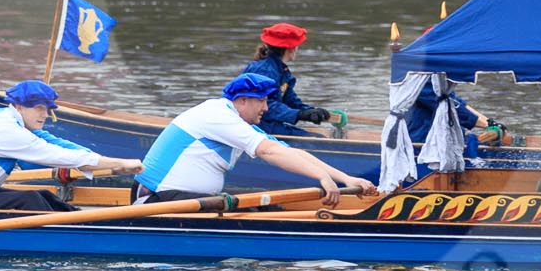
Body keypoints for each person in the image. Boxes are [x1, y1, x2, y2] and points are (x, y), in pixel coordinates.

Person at [135, 73, 377, 207]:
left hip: (181, 199)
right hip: (156, 200)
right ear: (241, 100)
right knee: (255, 209)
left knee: (264, 208)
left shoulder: (238, 121)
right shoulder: (217, 115)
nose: (266, 108)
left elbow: (291, 153)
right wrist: (321, 178)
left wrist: (345, 178)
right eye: (261, 101)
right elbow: (269, 152)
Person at [0, 80, 142, 213]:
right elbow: (55, 155)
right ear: (19, 106)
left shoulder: (7, 117)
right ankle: (73, 231)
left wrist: (103, 159)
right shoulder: (5, 130)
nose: (45, 115)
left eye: (47, 109)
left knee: (43, 194)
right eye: (39, 108)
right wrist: (118, 163)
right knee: (29, 199)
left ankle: (79, 220)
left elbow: (57, 143)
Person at [241, 23, 333, 137]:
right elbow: (265, 106)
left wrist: (312, 111)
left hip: (269, 123)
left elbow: (290, 99)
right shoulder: (264, 70)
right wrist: (299, 114)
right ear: (291, 48)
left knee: (318, 138)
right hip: (256, 126)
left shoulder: (279, 69)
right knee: (318, 139)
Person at [407, 81, 486, 165]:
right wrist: (488, 125)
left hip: (439, 138)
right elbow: (452, 109)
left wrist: (492, 123)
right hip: (422, 141)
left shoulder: (439, 81)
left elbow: (456, 102)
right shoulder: (422, 81)